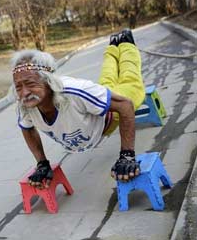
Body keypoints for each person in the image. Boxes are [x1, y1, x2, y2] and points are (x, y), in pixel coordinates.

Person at [12, 29, 145, 189]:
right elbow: (27, 129)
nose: (24, 93)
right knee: (107, 79)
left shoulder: (74, 91)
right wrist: (42, 163)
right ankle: (113, 46)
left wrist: (127, 155)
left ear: (49, 81)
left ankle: (126, 44)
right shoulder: (25, 105)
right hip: (93, 103)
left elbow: (125, 106)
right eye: (18, 86)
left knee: (130, 80)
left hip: (108, 118)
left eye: (31, 84)